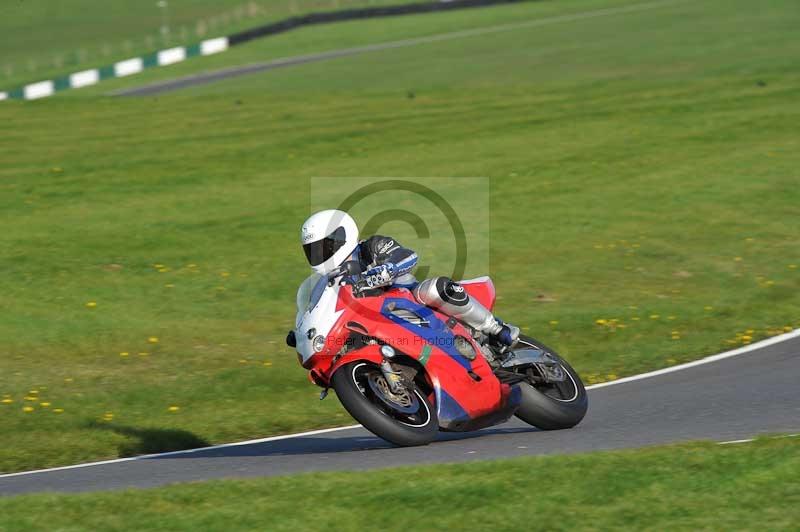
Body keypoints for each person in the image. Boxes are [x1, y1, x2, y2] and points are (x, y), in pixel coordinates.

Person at [298, 209, 519, 346]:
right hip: (375, 322)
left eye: (324, 247)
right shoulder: (327, 282)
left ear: (341, 234)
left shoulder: (370, 247)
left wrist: (388, 270)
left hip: (408, 299)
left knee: (433, 289)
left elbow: (408, 256)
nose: (320, 254)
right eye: (314, 250)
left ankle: (495, 328)